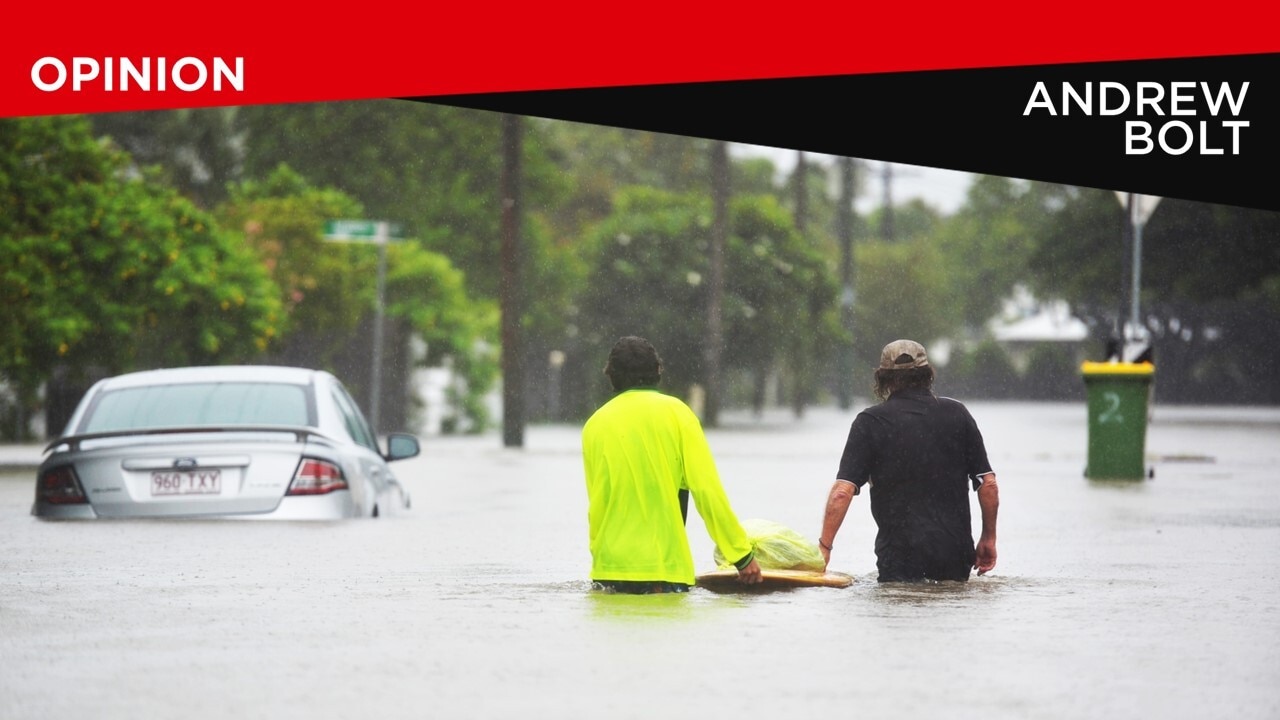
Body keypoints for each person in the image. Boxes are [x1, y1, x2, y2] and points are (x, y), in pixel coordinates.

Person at [582, 336, 762, 593]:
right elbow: (707, 492)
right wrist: (741, 555)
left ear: (611, 375)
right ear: (657, 371)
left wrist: (601, 558)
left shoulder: (594, 425)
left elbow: (597, 504)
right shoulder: (678, 414)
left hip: (607, 569)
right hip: (663, 569)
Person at [818, 339, 999, 582]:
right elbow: (988, 484)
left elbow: (842, 491)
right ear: (927, 374)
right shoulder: (958, 415)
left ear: (883, 379)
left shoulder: (870, 422)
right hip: (954, 554)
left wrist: (824, 548)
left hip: (898, 556)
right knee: (952, 604)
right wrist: (989, 538)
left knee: (899, 605)